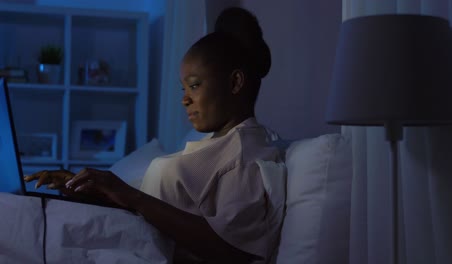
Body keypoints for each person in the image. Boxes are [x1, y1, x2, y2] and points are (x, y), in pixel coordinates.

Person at [25, 7, 281, 264]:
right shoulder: (212, 144)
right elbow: (158, 214)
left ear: (235, 83)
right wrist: (86, 190)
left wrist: (132, 196)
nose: (185, 99)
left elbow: (235, 251)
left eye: (194, 85)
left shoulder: (246, 152)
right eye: (183, 88)